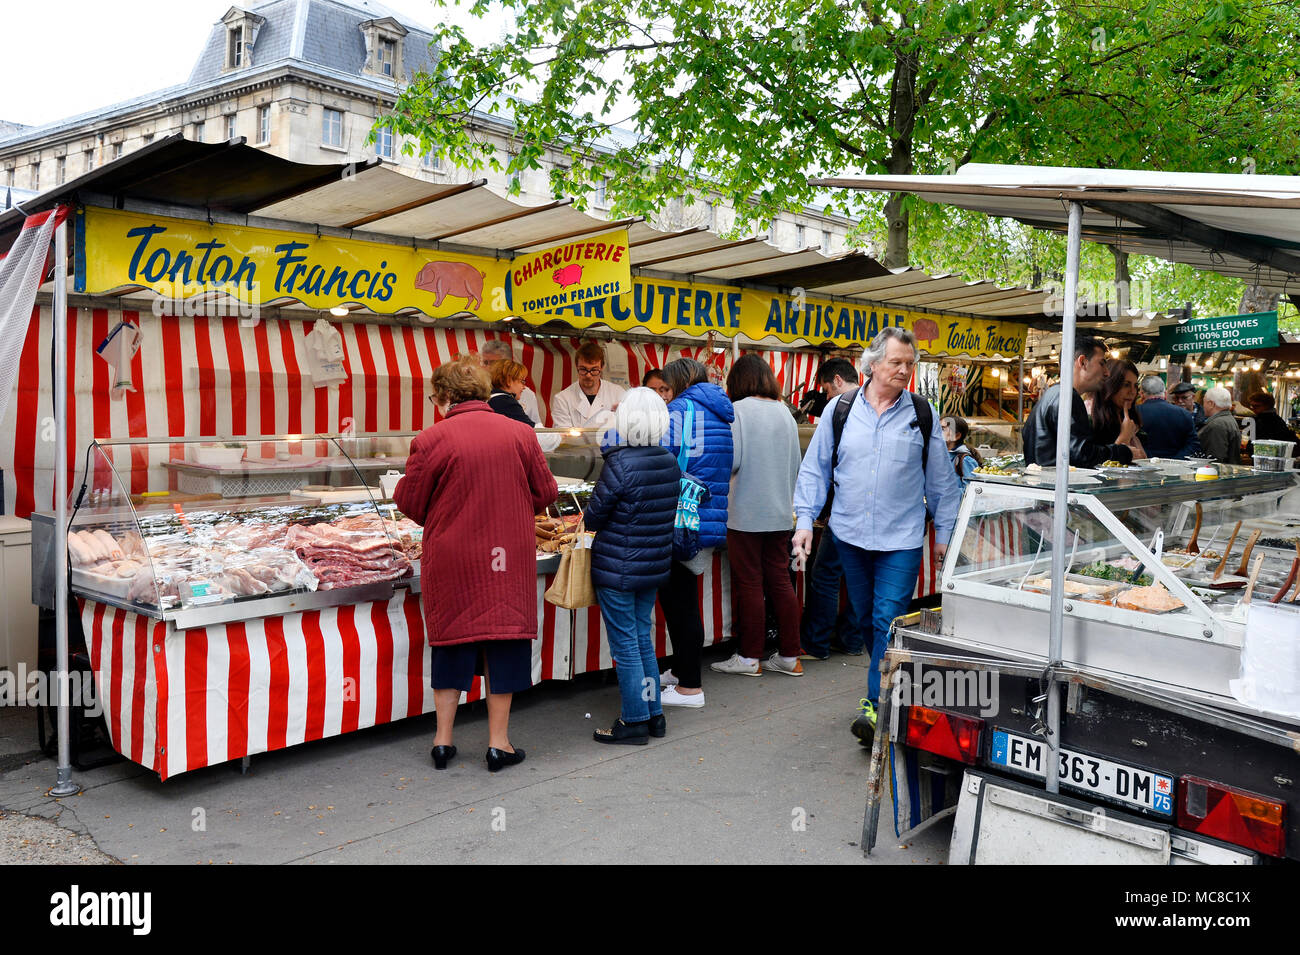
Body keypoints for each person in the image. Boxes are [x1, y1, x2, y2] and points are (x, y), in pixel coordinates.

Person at [792, 327, 960, 747]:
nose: (905, 370)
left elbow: (941, 480)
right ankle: (893, 687)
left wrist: (944, 533)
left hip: (901, 538)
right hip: (849, 534)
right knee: (867, 619)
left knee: (886, 619)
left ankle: (876, 703)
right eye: (897, 362)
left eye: (910, 363)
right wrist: (803, 522)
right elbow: (815, 469)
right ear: (872, 366)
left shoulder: (921, 414)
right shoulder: (840, 409)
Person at [393, 355, 558, 773]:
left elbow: (412, 504)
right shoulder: (521, 434)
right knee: (504, 640)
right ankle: (498, 743)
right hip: (506, 556)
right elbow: (546, 492)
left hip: (452, 557)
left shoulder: (431, 439)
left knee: (452, 640)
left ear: (446, 396)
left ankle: (443, 741)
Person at [583, 388, 680, 744]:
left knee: (625, 645)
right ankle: (654, 715)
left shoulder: (619, 463)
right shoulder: (670, 460)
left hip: (618, 567)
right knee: (642, 640)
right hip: (652, 564)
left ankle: (634, 721)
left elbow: (593, 516)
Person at [712, 354, 803, 677]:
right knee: (780, 581)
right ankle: (790, 655)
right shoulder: (785, 413)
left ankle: (750, 657)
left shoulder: (736, 412)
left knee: (749, 583)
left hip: (745, 513)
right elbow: (796, 464)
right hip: (780, 511)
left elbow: (731, 462)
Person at [657, 357, 735, 707]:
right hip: (706, 515)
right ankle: (681, 670)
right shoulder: (719, 411)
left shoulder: (679, 410)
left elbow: (661, 456)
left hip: (681, 520)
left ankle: (690, 687)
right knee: (685, 599)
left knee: (681, 603)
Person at [799, 359, 867, 661]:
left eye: (826, 389)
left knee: (825, 573)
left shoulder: (838, 406)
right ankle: (852, 639)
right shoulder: (873, 403)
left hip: (845, 508)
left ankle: (817, 642)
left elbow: (821, 466)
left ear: (837, 380)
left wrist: (812, 510)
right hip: (872, 509)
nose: (825, 396)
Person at [1021, 335, 1137, 467]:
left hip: (1044, 483)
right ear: (1082, 362)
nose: (1107, 373)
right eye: (1102, 364)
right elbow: (1082, 454)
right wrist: (1122, 452)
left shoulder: (1053, 394)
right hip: (1055, 484)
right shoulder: (1067, 397)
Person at [549, 341, 628, 446]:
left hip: (611, 454)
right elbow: (564, 438)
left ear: (602, 367)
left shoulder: (618, 393)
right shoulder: (562, 399)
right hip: (578, 457)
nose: (588, 375)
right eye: (583, 369)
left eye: (594, 370)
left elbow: (627, 429)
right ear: (576, 366)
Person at [1089, 359, 1146, 460]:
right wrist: (1124, 437)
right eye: (1126, 385)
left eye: (1135, 386)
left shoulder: (1132, 423)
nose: (1132, 392)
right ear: (1110, 386)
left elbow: (1142, 460)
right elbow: (1098, 466)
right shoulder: (1091, 423)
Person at [1138, 376, 1200, 459]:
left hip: (1142, 464)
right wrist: (1175, 461)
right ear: (1165, 393)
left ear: (1141, 394)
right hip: (1176, 467)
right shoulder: (1184, 414)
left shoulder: (1134, 413)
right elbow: (1193, 445)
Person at [481, 339, 540, 423]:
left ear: (507, 364)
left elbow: (537, 430)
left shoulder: (527, 394)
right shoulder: (477, 392)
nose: (488, 367)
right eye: (485, 362)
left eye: (494, 363)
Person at [1199, 386, 1242, 464]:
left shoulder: (1216, 425)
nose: (1203, 406)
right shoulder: (1228, 419)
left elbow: (1215, 459)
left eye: (1204, 402)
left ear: (1211, 404)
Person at [487, 359, 535, 426]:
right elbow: (532, 429)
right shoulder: (506, 402)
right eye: (522, 382)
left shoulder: (488, 398)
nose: (524, 387)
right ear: (509, 381)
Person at [941, 416, 983, 490]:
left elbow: (972, 491)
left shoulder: (965, 461)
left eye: (942, 429)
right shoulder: (940, 457)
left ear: (956, 436)